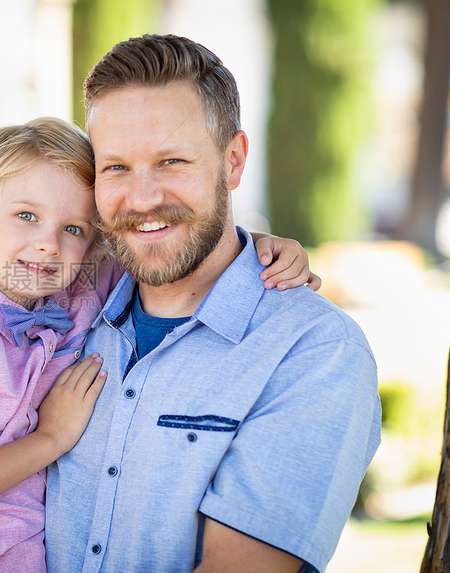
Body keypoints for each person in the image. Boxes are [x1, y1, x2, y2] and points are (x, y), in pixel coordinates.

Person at [0, 117, 317, 572]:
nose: (49, 244)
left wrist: (262, 245)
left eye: (74, 229)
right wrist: (51, 438)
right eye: (26, 216)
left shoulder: (78, 294)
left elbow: (181, 251)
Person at [44, 34, 382, 573]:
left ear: (233, 161)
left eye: (171, 161)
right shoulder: (65, 315)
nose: (143, 197)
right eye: (116, 168)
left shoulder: (314, 352)